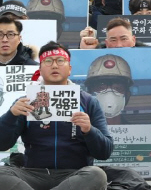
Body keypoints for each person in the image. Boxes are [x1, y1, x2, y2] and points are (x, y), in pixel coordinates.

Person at [0, 42, 113, 190]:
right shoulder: (25, 101)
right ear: (40, 69)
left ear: (69, 69)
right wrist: (11, 115)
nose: (54, 65)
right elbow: (3, 144)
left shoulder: (89, 102)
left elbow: (105, 152)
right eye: (48, 61)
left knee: (97, 175)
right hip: (32, 174)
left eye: (60, 61)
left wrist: (89, 130)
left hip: (74, 175)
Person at [79, 18, 151, 143]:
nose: (119, 45)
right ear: (106, 42)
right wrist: (85, 53)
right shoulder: (96, 63)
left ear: (133, 40)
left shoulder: (149, 63)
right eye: (113, 40)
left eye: (124, 38)